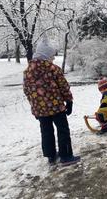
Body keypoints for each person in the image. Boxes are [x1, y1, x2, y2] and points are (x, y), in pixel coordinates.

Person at [23, 38, 80, 166]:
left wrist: (35, 108)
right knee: (62, 130)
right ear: (46, 55)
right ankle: (66, 156)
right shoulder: (53, 69)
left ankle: (51, 156)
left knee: (46, 132)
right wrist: (69, 101)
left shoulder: (27, 71)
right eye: (51, 56)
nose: (53, 58)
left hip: (41, 110)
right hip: (56, 108)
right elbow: (63, 86)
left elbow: (27, 91)